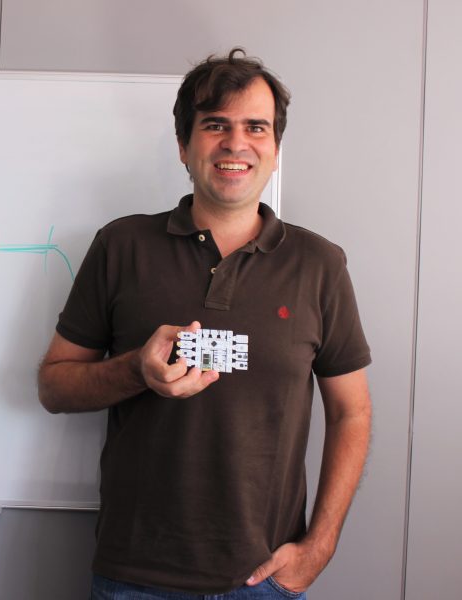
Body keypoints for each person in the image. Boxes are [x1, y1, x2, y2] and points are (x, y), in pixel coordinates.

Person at [38, 48, 372, 599]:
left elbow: (351, 411)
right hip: (132, 577)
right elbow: (54, 386)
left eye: (255, 127)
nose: (236, 143)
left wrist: (320, 544)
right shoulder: (121, 246)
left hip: (263, 578)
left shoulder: (319, 264)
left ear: (275, 149)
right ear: (183, 146)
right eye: (215, 125)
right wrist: (136, 371)